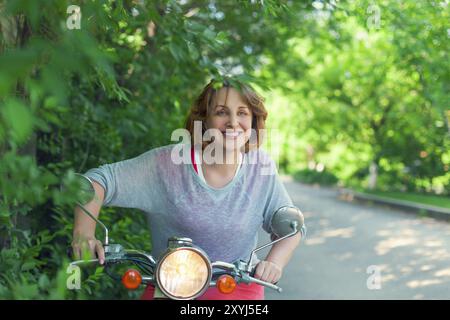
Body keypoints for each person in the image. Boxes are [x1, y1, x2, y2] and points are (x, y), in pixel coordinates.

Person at [72, 78, 306, 300]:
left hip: (238, 287)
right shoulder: (167, 164)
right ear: (204, 120)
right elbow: (97, 181)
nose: (234, 122)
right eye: (221, 112)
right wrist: (84, 233)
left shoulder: (260, 167)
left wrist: (273, 263)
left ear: (254, 122)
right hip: (170, 286)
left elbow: (292, 227)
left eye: (243, 113)